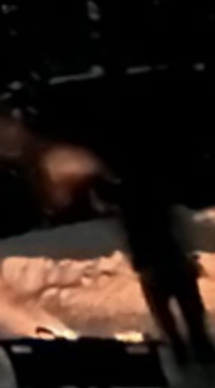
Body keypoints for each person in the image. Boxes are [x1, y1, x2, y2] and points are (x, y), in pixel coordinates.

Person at [89, 157, 215, 373]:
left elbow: (110, 205)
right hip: (169, 260)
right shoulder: (155, 195)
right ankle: (197, 350)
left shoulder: (132, 203)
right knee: (189, 309)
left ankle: (184, 351)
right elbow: (174, 226)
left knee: (169, 313)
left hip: (156, 263)